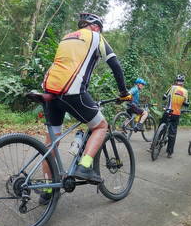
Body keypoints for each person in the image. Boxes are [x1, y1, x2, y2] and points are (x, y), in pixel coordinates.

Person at [39, 12, 131, 204]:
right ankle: (85, 165)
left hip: (50, 91)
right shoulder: (96, 37)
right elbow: (116, 66)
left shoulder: (67, 37)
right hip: (73, 92)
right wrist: (123, 93)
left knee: (51, 143)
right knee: (100, 126)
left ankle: (47, 189)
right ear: (96, 27)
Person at [162, 74, 189, 158]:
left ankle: (154, 144)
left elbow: (164, 97)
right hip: (176, 114)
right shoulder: (185, 92)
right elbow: (186, 104)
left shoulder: (172, 87)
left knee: (161, 125)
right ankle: (169, 152)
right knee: (172, 133)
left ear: (176, 81)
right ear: (183, 83)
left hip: (168, 111)